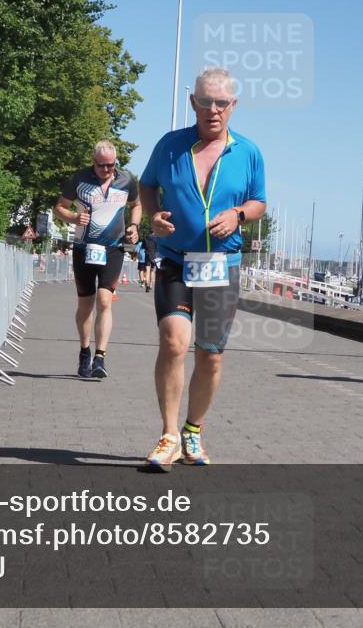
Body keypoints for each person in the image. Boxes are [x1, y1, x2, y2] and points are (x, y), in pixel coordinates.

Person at [139, 68, 266, 470]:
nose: (214, 110)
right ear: (193, 102)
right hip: (177, 260)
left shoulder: (248, 152)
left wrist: (239, 214)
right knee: (174, 340)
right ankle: (168, 435)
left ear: (234, 106)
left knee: (210, 355)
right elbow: (147, 186)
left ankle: (193, 430)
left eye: (222, 103)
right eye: (206, 101)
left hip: (220, 266)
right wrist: (152, 218)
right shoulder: (171, 146)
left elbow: (260, 200)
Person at [54, 140, 141, 379]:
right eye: (101, 165)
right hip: (84, 247)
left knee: (105, 300)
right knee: (85, 304)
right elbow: (59, 207)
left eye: (110, 165)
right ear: (93, 162)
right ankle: (84, 351)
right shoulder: (78, 179)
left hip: (113, 248)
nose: (106, 170)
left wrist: (134, 225)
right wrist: (73, 218)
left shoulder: (126, 181)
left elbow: (137, 205)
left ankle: (100, 357)